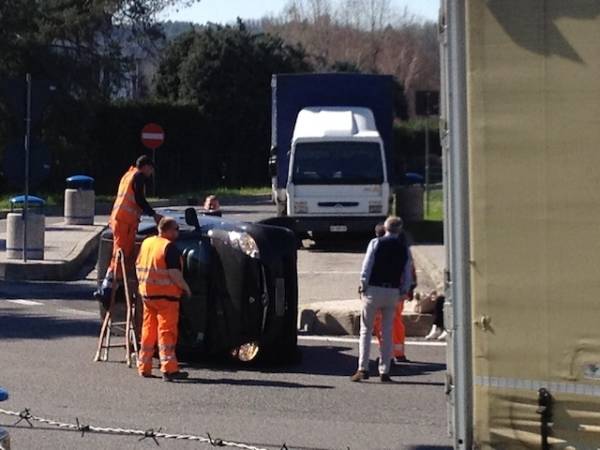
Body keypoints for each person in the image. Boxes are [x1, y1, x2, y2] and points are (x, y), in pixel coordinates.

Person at [351, 216, 413, 383]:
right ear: (399, 230)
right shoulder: (403, 248)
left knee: (366, 330)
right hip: (392, 291)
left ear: (385, 228)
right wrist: (403, 291)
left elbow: (367, 266)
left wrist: (363, 285)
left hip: (374, 289)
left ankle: (362, 368)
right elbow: (406, 273)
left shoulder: (375, 243)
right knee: (387, 332)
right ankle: (384, 370)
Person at [94, 155, 162, 302]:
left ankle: (115, 286)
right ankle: (108, 288)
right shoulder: (138, 177)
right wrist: (153, 214)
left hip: (121, 220)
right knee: (120, 254)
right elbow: (139, 199)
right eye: (151, 169)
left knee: (122, 254)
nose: (151, 173)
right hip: (125, 222)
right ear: (146, 167)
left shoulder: (128, 175)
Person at [136, 217, 192, 382]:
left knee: (148, 330)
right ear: (168, 230)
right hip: (166, 298)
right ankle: (169, 369)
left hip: (147, 295)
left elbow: (138, 263)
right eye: (176, 229)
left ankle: (144, 366)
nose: (177, 232)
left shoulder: (147, 243)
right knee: (166, 333)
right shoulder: (169, 248)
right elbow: (174, 274)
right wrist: (186, 288)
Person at [372, 223, 415, 363]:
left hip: (382, 290)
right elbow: (410, 270)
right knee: (396, 320)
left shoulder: (379, 246)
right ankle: (398, 351)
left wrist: (364, 286)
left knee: (380, 322)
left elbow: (369, 269)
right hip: (399, 290)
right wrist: (409, 288)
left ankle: (387, 353)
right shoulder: (402, 248)